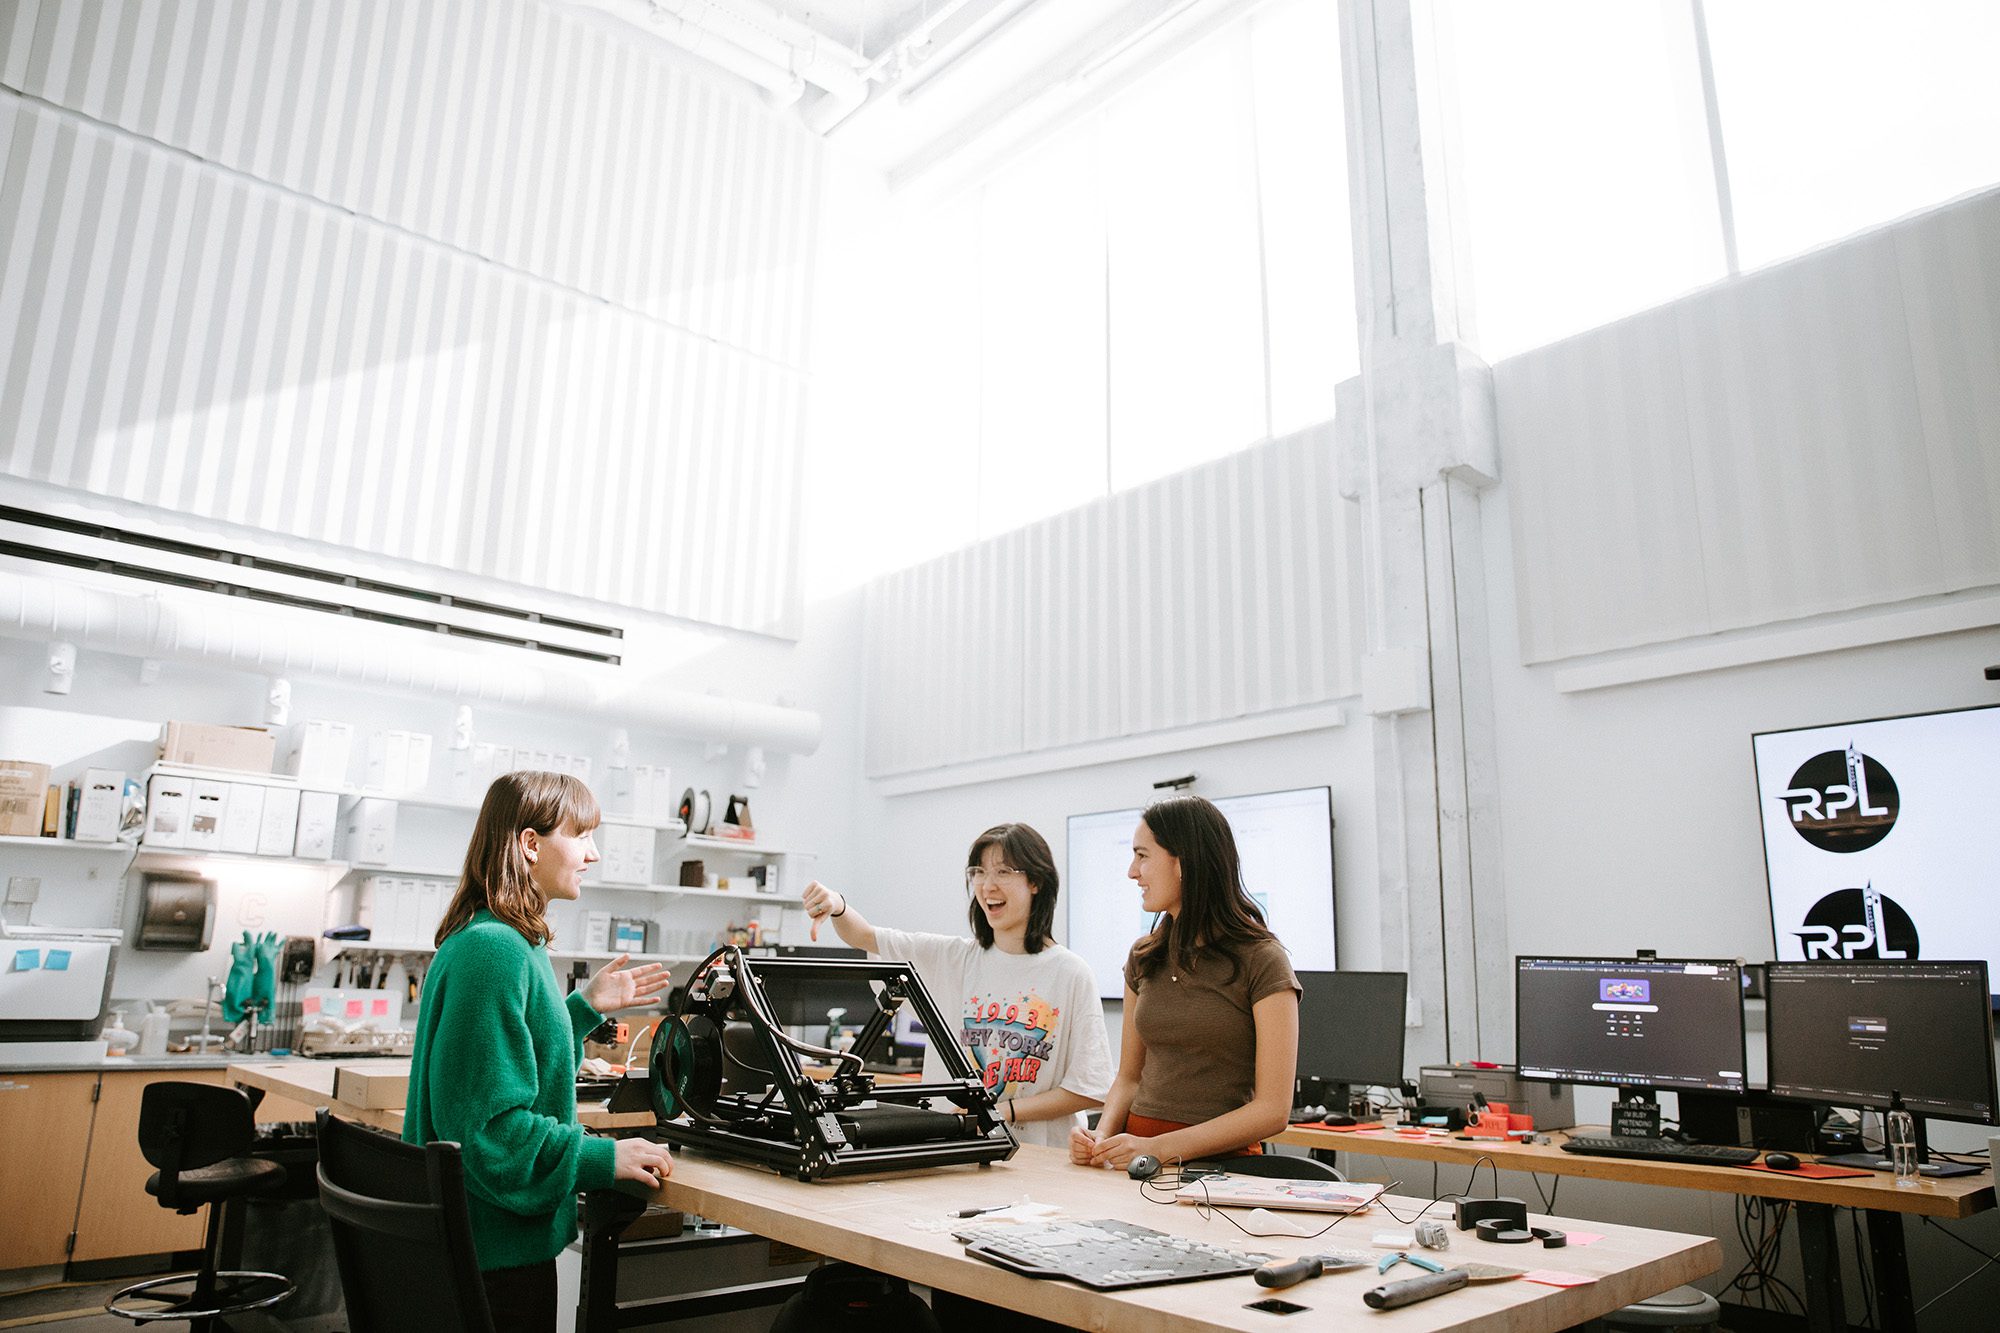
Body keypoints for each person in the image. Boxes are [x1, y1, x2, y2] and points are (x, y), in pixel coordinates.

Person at [403, 771, 675, 1333]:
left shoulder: (498, 940)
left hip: (487, 1247)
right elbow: (490, 1132)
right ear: (530, 844)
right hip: (491, 1259)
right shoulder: (493, 951)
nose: (594, 854)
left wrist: (580, 1009)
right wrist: (602, 1158)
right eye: (582, 836)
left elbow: (511, 1066)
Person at [800, 823, 1113, 1148]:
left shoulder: (1071, 973)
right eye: (978, 872)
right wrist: (837, 905)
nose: (987, 885)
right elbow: (864, 936)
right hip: (954, 1151)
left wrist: (1001, 1111)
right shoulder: (951, 958)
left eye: (1003, 872)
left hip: (1037, 1159)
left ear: (1035, 881)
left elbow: (1086, 1089)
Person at [1070, 794, 1299, 1170]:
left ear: (1183, 861)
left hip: (1223, 1168)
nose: (1132, 871)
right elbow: (1129, 1078)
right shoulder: (1144, 956)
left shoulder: (1263, 959)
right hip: (1138, 1162)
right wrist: (1102, 1138)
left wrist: (1160, 1148)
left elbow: (1273, 1111)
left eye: (1143, 856)